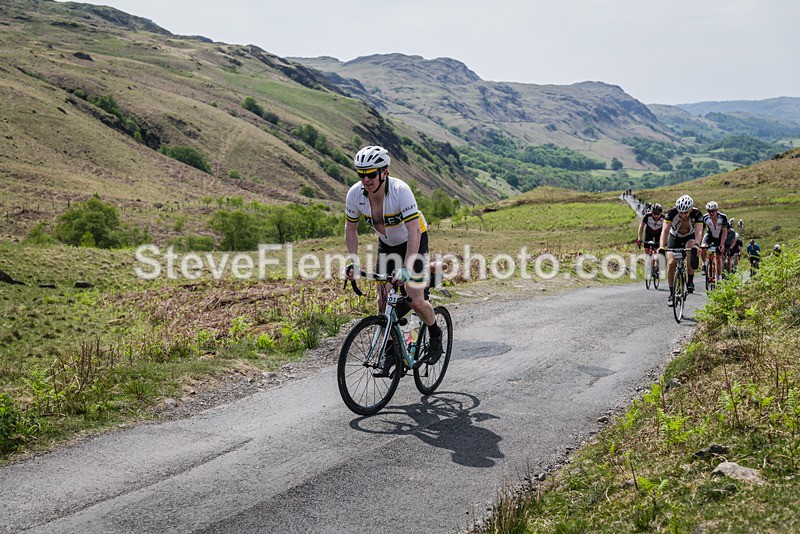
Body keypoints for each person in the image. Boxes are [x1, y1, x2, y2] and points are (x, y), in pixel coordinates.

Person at [344, 145, 443, 375]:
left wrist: (407, 269)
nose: (365, 180)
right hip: (387, 245)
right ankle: (391, 353)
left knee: (415, 300)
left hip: (414, 240)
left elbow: (414, 232)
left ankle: (435, 334)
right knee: (382, 304)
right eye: (361, 174)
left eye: (370, 174)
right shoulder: (355, 195)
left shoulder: (401, 191)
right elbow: (350, 230)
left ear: (384, 173)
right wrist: (353, 262)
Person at [660, 195, 703, 306]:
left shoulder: (697, 214)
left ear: (691, 210)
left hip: (689, 236)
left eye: (686, 213)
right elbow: (665, 231)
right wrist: (661, 246)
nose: (683, 215)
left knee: (690, 250)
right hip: (675, 237)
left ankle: (690, 281)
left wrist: (697, 245)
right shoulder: (671, 213)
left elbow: (699, 232)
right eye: (681, 213)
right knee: (671, 264)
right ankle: (671, 293)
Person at [699, 201, 729, 282]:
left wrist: (722, 244)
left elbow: (725, 232)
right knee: (703, 247)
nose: (711, 213)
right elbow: (701, 230)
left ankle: (719, 278)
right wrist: (698, 242)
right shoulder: (705, 217)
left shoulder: (723, 217)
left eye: (713, 211)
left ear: (716, 210)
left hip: (720, 237)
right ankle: (704, 265)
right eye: (709, 211)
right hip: (710, 235)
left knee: (718, 258)